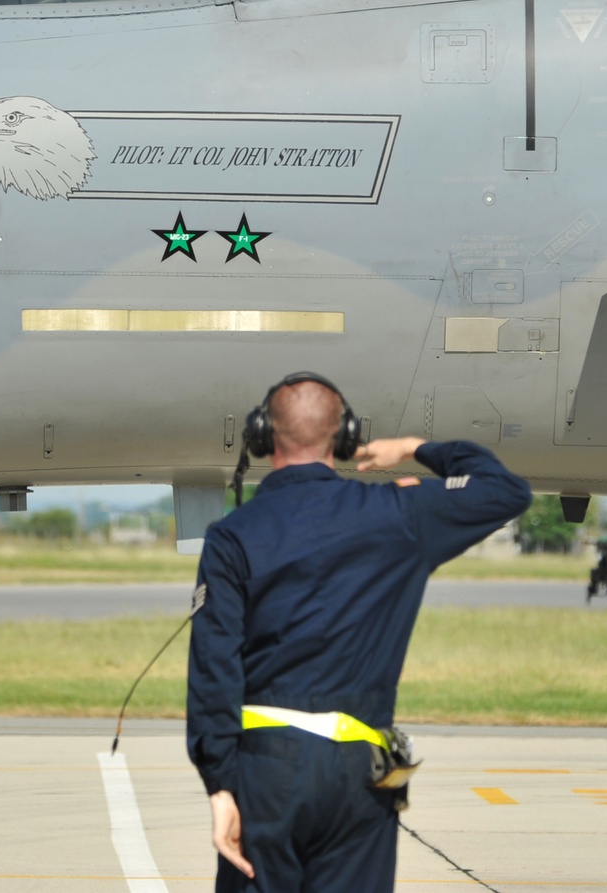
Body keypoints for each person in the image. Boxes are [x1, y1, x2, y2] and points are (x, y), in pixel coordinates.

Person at [186, 371, 532, 893]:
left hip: (267, 773)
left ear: (263, 435)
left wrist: (220, 787)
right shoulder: (397, 514)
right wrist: (417, 448)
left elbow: (214, 669)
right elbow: (505, 490)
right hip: (359, 773)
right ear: (344, 436)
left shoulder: (232, 536)